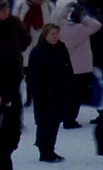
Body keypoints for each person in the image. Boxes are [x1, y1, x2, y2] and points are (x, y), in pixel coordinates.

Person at [25, 23, 75, 162]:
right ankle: (44, 151)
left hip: (60, 92)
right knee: (44, 123)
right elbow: (34, 75)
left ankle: (51, 149)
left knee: (55, 122)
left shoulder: (62, 49)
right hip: (44, 94)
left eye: (56, 34)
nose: (55, 37)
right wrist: (39, 92)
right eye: (52, 34)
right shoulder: (38, 52)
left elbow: (68, 68)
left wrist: (70, 84)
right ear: (45, 35)